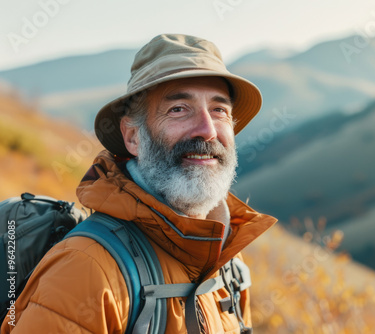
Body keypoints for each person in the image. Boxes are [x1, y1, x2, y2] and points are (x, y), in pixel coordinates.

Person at [1, 34, 277, 333]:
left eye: (219, 110)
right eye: (179, 109)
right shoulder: (86, 269)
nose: (207, 130)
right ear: (133, 137)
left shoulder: (229, 266)